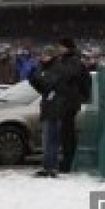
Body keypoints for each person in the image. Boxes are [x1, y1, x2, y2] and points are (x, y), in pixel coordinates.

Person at [29, 45, 67, 178]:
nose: (42, 57)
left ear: (51, 56)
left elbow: (47, 84)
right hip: (48, 107)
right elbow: (42, 88)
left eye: (45, 55)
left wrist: (37, 76)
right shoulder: (46, 68)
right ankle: (48, 167)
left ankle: (51, 167)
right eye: (42, 55)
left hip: (55, 108)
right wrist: (33, 78)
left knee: (51, 140)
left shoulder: (57, 68)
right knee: (47, 140)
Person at [53, 37, 89, 173]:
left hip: (70, 101)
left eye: (61, 47)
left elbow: (68, 75)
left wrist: (57, 67)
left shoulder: (73, 61)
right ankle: (67, 162)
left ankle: (68, 163)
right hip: (67, 101)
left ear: (67, 47)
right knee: (66, 133)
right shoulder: (68, 60)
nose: (59, 49)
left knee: (67, 134)